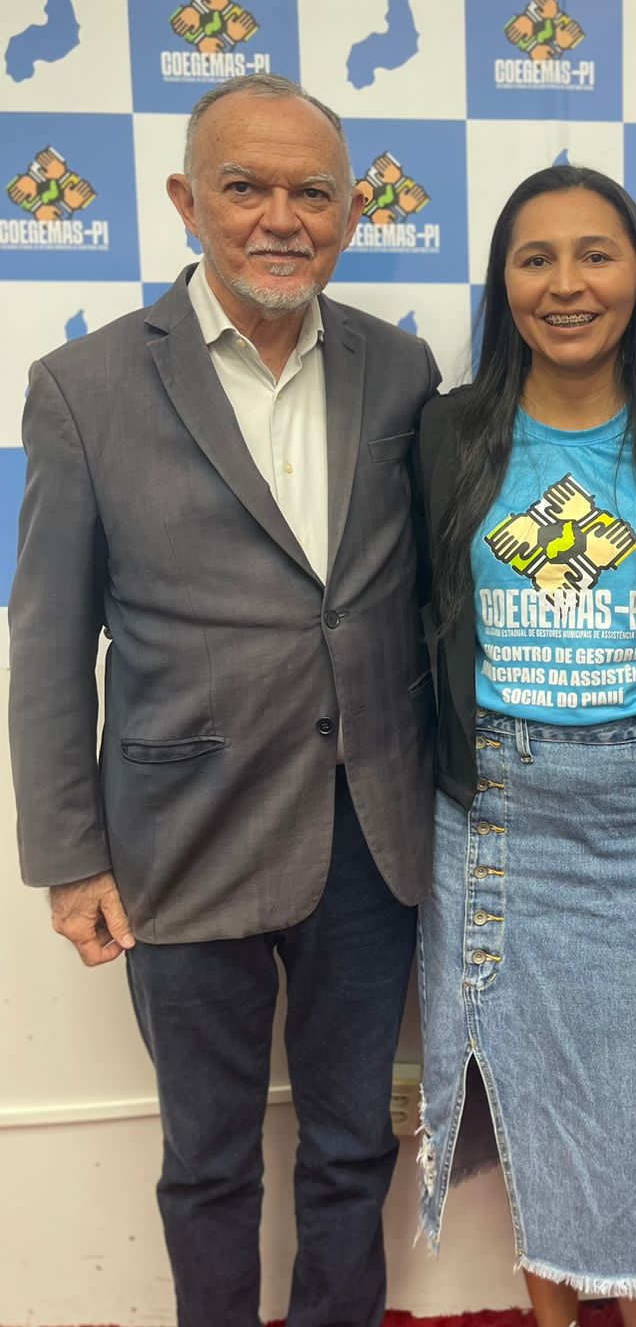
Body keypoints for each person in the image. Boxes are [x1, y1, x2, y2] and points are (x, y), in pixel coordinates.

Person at [9, 74, 439, 1327]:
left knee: (354, 1141)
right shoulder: (83, 385)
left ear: (351, 213)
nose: (281, 218)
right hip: (179, 838)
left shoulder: (400, 368)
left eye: (314, 192)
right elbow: (49, 640)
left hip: (369, 829)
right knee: (206, 1160)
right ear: (186, 200)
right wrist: (69, 857)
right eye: (246, 187)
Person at [416, 164, 636, 1327]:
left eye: (596, 254)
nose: (567, 284)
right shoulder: (445, 433)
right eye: (536, 257)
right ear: (503, 281)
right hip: (495, 822)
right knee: (530, 1102)